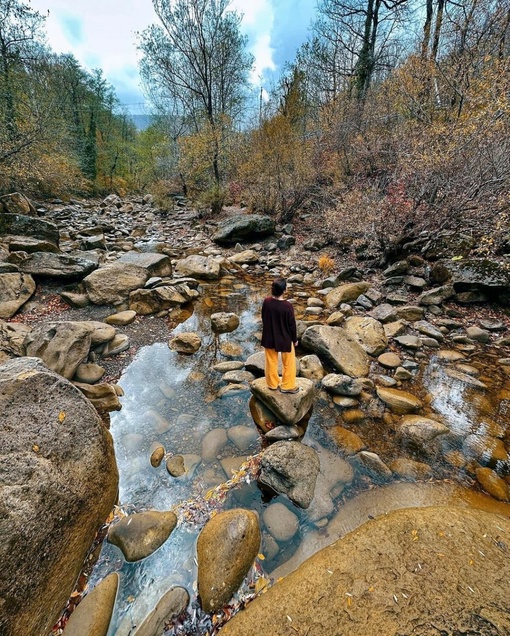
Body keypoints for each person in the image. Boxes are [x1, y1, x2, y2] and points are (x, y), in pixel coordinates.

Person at [261, 277, 299, 393]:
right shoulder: (287, 306)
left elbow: (263, 317)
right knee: (289, 363)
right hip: (285, 338)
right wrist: (294, 339)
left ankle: (272, 384)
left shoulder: (267, 301)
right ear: (284, 290)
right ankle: (287, 386)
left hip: (269, 337)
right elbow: (292, 325)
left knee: (271, 362)